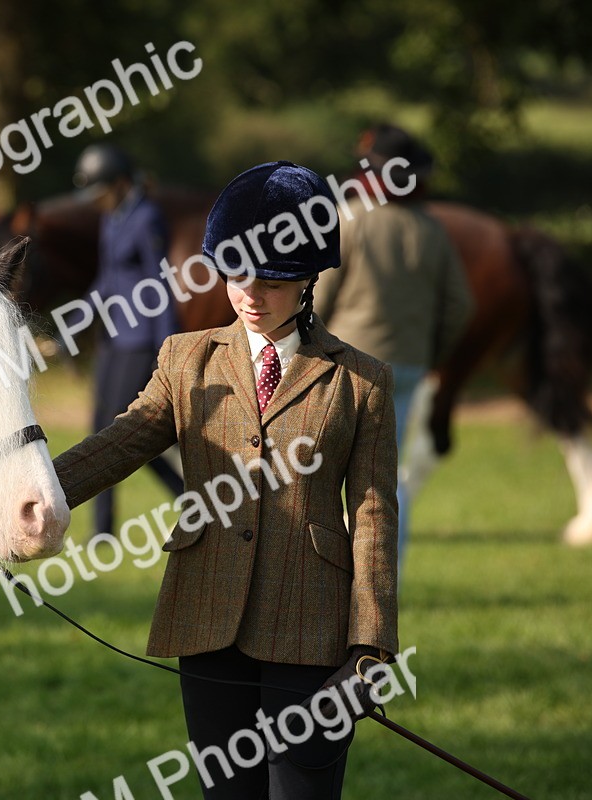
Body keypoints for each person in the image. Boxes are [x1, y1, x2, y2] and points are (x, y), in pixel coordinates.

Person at [54, 161, 399, 799]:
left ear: (309, 279)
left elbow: (375, 517)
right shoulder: (184, 358)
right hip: (206, 618)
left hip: (311, 629)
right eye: (235, 272)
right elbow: (124, 441)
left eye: (269, 280)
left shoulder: (362, 382)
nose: (248, 293)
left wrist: (371, 647)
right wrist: (37, 498)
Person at [313, 124, 474, 568]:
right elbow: (460, 304)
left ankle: (329, 583)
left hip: (347, 366)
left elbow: (321, 297)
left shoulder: (351, 217)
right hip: (407, 367)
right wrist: (428, 353)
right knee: (385, 480)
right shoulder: (433, 230)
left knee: (326, 473)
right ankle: (384, 584)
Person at [72, 143, 183, 539]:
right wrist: (78, 317)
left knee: (124, 429)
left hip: (141, 337)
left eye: (100, 191)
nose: (95, 201)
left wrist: (166, 348)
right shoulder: (111, 219)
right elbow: (107, 277)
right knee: (101, 429)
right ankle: (102, 532)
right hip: (113, 337)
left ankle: (187, 494)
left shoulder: (147, 218)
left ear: (120, 184)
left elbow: (158, 283)